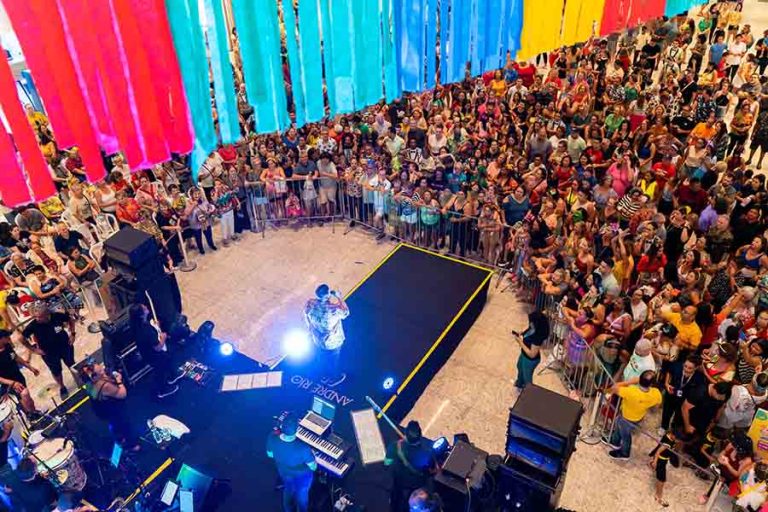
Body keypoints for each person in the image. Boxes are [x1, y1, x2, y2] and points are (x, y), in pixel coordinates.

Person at [20, 302, 77, 398]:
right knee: (56, 371)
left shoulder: (57, 316)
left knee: (72, 364)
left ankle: (79, 380)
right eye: (35, 317)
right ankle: (62, 387)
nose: (37, 319)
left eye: (40, 317)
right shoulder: (33, 325)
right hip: (49, 353)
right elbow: (21, 338)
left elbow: (70, 320)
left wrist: (73, 334)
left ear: (47, 314)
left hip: (65, 346)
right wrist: (33, 349)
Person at [80, 360, 140, 451]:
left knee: (114, 424)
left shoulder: (88, 384)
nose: (103, 370)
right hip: (113, 410)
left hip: (101, 408)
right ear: (94, 377)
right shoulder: (105, 386)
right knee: (124, 424)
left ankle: (119, 438)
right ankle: (132, 445)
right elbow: (122, 394)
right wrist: (119, 380)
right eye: (100, 371)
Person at [266, 413, 316, 512]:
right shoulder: (303, 448)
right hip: (302, 476)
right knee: (302, 496)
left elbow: (270, 455)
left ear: (281, 426)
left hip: (284, 471)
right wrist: (312, 455)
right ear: (297, 429)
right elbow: (313, 467)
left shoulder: (272, 437)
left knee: (288, 489)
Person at [129, 303, 180, 399]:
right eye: (144, 309)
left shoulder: (137, 325)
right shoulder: (145, 330)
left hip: (145, 352)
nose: (146, 308)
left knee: (167, 361)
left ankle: (170, 378)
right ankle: (161, 391)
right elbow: (158, 347)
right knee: (160, 371)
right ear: (141, 315)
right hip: (154, 355)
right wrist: (163, 338)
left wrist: (156, 327)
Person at [609, 370, 662, 460]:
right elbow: (657, 405)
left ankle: (625, 453)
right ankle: (615, 441)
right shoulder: (656, 393)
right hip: (638, 417)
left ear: (639, 379)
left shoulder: (631, 391)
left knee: (625, 435)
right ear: (651, 384)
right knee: (618, 424)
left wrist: (629, 382)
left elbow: (614, 388)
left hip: (626, 417)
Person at [384, 421, 436, 512]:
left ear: (405, 434)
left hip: (400, 483)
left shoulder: (394, 447)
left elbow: (387, 463)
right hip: (419, 485)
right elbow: (432, 470)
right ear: (420, 435)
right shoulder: (428, 450)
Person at [303, 284, 350, 381]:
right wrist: (339, 297)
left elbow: (306, 315)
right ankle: (334, 378)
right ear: (328, 295)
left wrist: (310, 328)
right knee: (333, 360)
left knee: (321, 357)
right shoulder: (333, 310)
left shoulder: (310, 304)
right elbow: (346, 312)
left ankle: (322, 375)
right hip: (333, 341)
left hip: (317, 339)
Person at [0, 330, 40, 415]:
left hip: (17, 375)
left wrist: (30, 367)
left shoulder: (7, 346)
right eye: (6, 337)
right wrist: (12, 383)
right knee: (25, 395)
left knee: (24, 397)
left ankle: (33, 413)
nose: (9, 338)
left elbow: (15, 357)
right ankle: (31, 414)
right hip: (8, 382)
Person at [512, 310, 550, 390]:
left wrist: (520, 342)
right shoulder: (532, 328)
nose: (530, 323)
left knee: (527, 378)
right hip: (524, 354)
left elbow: (532, 354)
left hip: (530, 360)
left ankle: (528, 392)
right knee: (519, 366)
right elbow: (528, 332)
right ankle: (519, 383)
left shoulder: (537, 337)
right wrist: (522, 334)